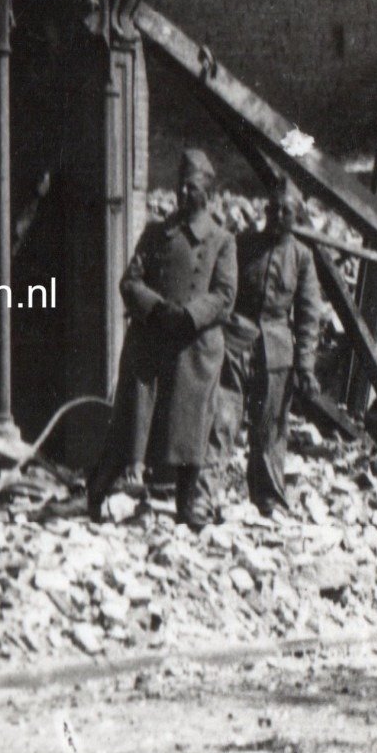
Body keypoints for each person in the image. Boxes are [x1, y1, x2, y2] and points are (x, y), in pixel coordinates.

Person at [87, 149, 236, 529]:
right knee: (131, 420)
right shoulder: (156, 233)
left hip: (193, 346)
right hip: (151, 340)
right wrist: (156, 309)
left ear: (209, 192)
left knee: (189, 428)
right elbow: (130, 281)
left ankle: (188, 503)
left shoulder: (221, 240)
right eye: (181, 187)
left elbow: (224, 296)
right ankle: (100, 492)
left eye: (194, 188)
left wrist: (188, 315)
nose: (184, 194)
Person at [221, 178, 322, 516]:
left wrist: (305, 366)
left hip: (276, 351)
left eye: (287, 211)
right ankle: (204, 495)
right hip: (237, 343)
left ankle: (268, 499)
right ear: (265, 211)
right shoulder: (242, 245)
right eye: (274, 209)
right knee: (222, 419)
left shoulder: (302, 258)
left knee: (270, 430)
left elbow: (309, 315)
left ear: (297, 216)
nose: (278, 216)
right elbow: (223, 292)